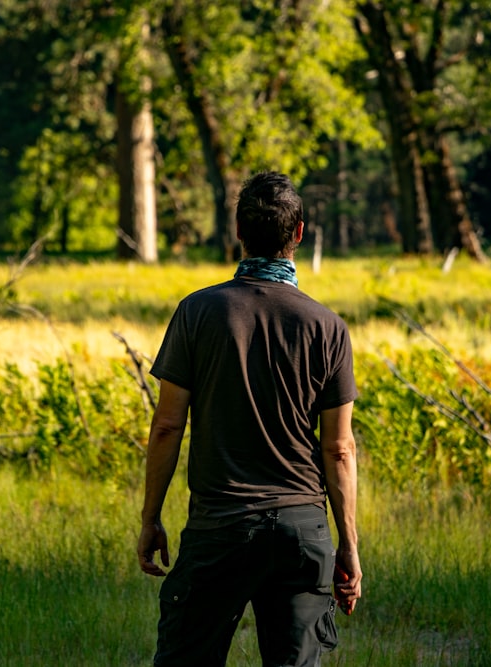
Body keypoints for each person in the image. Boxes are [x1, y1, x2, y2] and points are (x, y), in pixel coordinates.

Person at [136, 171, 362, 667]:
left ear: (238, 229)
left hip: (220, 525)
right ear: (299, 232)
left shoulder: (197, 312)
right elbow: (339, 449)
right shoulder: (328, 327)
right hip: (302, 530)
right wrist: (348, 545)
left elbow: (168, 426)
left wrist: (151, 518)